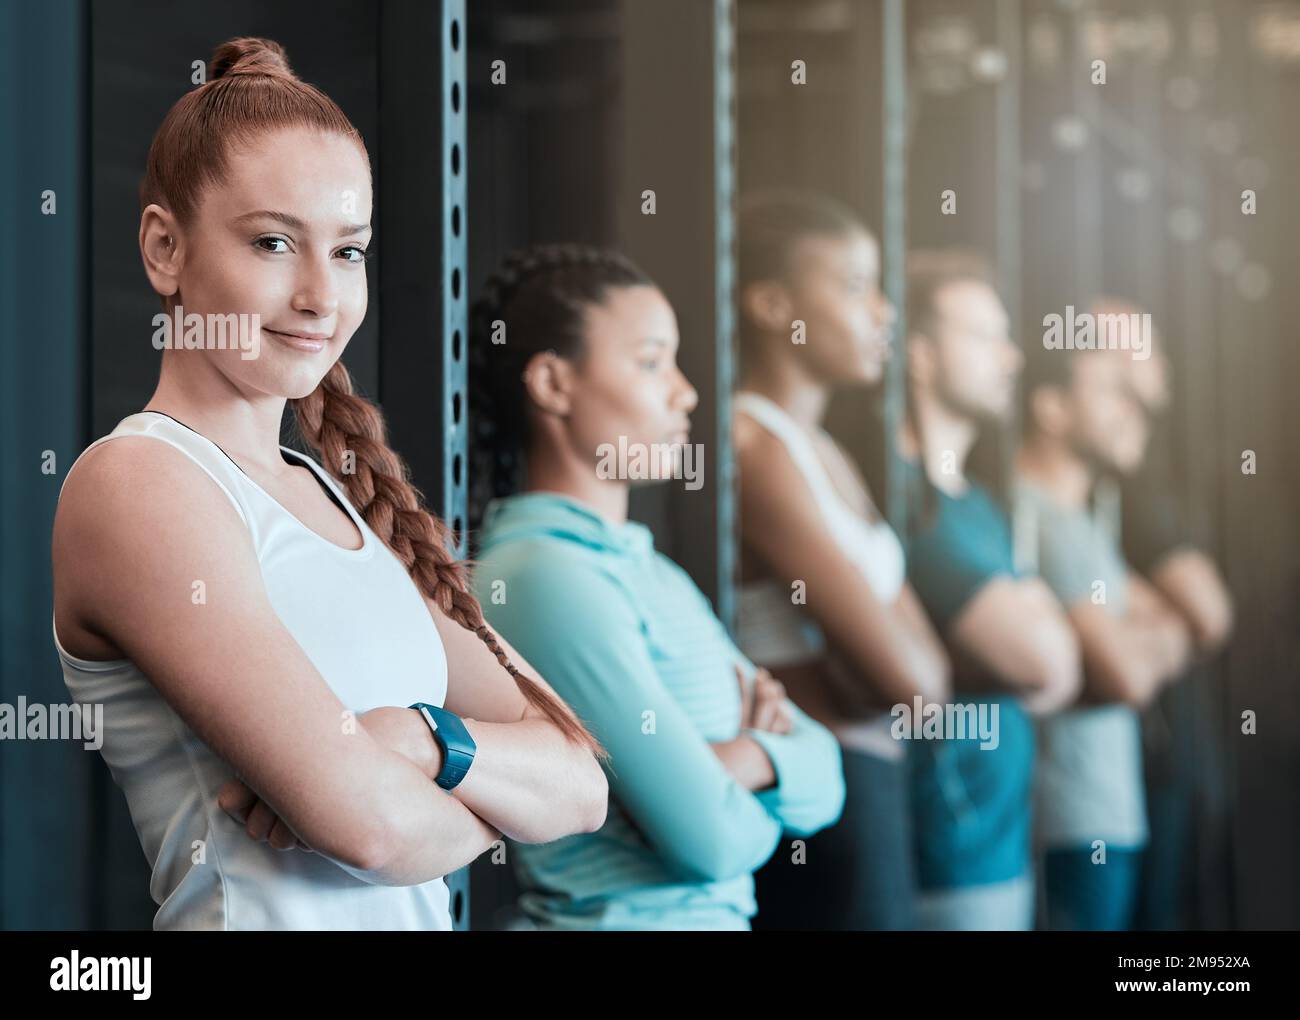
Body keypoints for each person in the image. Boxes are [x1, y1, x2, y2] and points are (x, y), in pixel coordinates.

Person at [50, 38, 607, 931]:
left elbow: (579, 784)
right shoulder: (140, 483)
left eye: (349, 252)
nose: (320, 295)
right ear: (165, 249)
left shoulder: (342, 495)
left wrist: (424, 739)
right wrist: (474, 798)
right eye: (273, 242)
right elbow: (374, 832)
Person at [468, 243, 846, 930]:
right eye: (649, 362)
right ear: (553, 384)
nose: (686, 391)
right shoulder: (543, 576)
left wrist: (731, 765)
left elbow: (829, 774)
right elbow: (715, 841)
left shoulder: (648, 569)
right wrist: (756, 763)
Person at [731, 192, 950, 930]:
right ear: (771, 304)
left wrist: (891, 671)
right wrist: (891, 671)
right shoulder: (752, 444)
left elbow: (919, 683)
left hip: (874, 782)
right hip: (833, 800)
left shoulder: (823, 451)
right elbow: (907, 678)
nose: (885, 313)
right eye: (855, 287)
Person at [898, 250, 1081, 930]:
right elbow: (1043, 663)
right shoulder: (905, 499)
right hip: (944, 854)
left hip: (1004, 846)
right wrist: (1032, 638)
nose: (1010, 358)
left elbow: (1059, 672)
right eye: (984, 335)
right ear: (919, 352)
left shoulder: (978, 504)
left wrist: (1025, 643)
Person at [1015, 333, 1195, 930]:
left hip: (1102, 813)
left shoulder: (1079, 522)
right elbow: (1128, 677)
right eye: (1108, 392)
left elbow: (1178, 625)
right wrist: (1137, 647)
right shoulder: (1036, 516)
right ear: (1052, 408)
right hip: (1069, 822)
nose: (1130, 410)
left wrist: (1140, 644)